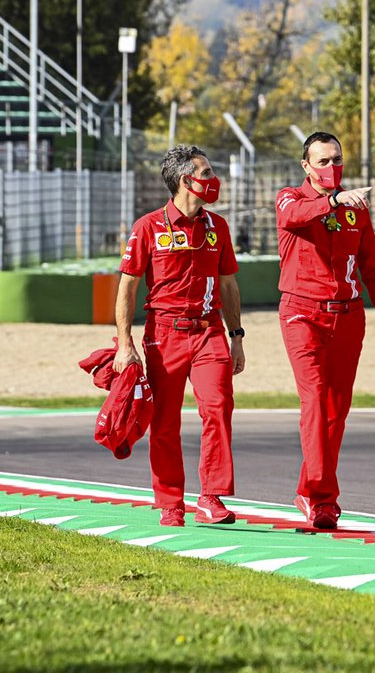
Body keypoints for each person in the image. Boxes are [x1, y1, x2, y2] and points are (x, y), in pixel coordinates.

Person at [114, 145, 245, 527]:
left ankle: (211, 496)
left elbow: (228, 284)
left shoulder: (217, 226)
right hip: (163, 335)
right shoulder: (147, 226)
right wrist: (125, 344)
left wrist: (236, 336)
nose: (213, 179)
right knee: (165, 421)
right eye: (206, 173)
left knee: (218, 408)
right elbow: (127, 288)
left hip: (210, 333)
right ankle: (170, 501)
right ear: (186, 180)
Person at [276, 131, 375, 530]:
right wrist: (331, 200)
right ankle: (322, 497)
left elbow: (373, 266)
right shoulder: (290, 197)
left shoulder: (356, 208)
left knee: (335, 412)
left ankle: (308, 488)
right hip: (302, 313)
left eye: (337, 160)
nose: (332, 168)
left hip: (348, 316)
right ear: (306, 165)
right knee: (313, 400)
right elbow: (291, 217)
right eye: (324, 161)